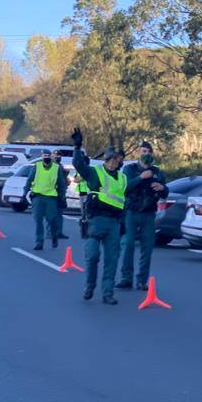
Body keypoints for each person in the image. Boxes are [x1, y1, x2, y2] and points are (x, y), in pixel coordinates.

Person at [72, 128, 127, 305]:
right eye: (113, 159)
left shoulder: (123, 179)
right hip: (95, 221)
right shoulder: (95, 172)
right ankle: (89, 287)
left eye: (118, 160)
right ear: (107, 159)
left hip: (114, 224)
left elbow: (126, 201)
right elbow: (78, 165)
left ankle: (107, 293)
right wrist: (77, 146)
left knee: (112, 260)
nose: (115, 163)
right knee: (93, 256)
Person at [117, 141, 167, 290]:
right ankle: (126, 278)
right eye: (143, 151)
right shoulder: (130, 169)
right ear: (139, 153)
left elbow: (165, 192)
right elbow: (124, 188)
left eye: (148, 151)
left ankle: (142, 280)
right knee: (128, 244)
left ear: (152, 154)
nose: (145, 154)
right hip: (131, 212)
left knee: (147, 247)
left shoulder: (157, 171)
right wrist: (141, 177)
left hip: (149, 214)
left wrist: (162, 187)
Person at [24, 149, 67, 251]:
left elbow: (61, 183)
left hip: (51, 198)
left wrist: (62, 196)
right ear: (42, 156)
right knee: (38, 220)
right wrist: (25, 192)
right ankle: (39, 242)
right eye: (45, 155)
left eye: (48, 155)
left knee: (51, 220)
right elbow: (29, 180)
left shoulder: (56, 168)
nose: (46, 157)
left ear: (51, 156)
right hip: (37, 197)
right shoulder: (37, 166)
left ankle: (54, 236)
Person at [53, 152, 69, 240]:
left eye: (59, 155)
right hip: (52, 193)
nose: (58, 157)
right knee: (52, 215)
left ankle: (59, 232)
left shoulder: (61, 166)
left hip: (61, 193)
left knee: (59, 214)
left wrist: (66, 175)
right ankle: (51, 232)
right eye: (56, 155)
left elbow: (63, 181)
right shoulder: (51, 166)